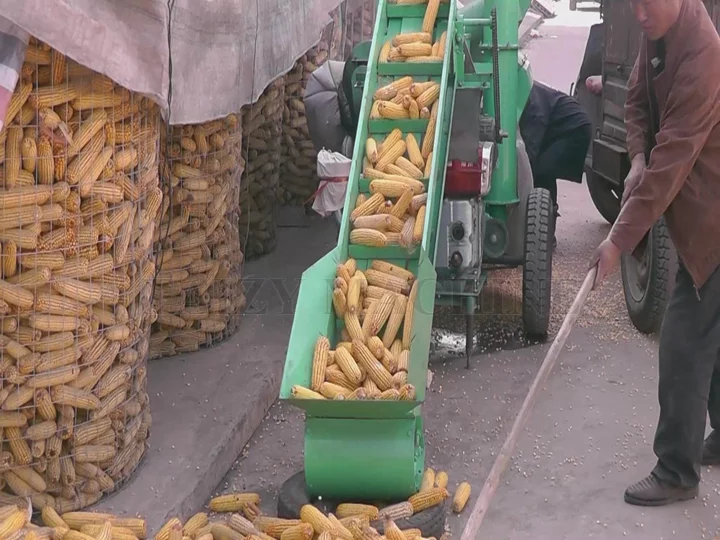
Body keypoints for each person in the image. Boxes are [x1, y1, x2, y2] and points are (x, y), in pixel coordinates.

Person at [590, 0, 720, 507]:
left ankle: (676, 471)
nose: (639, 13)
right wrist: (636, 156)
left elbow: (672, 162)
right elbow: (639, 105)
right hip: (698, 219)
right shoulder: (659, 32)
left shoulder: (705, 53)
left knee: (684, 344)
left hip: (713, 222)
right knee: (712, 339)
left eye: (649, 3)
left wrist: (617, 241)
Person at [519, 81, 593, 247]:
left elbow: (531, 148)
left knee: (541, 172)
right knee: (544, 170)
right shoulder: (525, 90)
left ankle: (545, 235)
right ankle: (544, 226)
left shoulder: (532, 104)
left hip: (575, 130)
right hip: (561, 129)